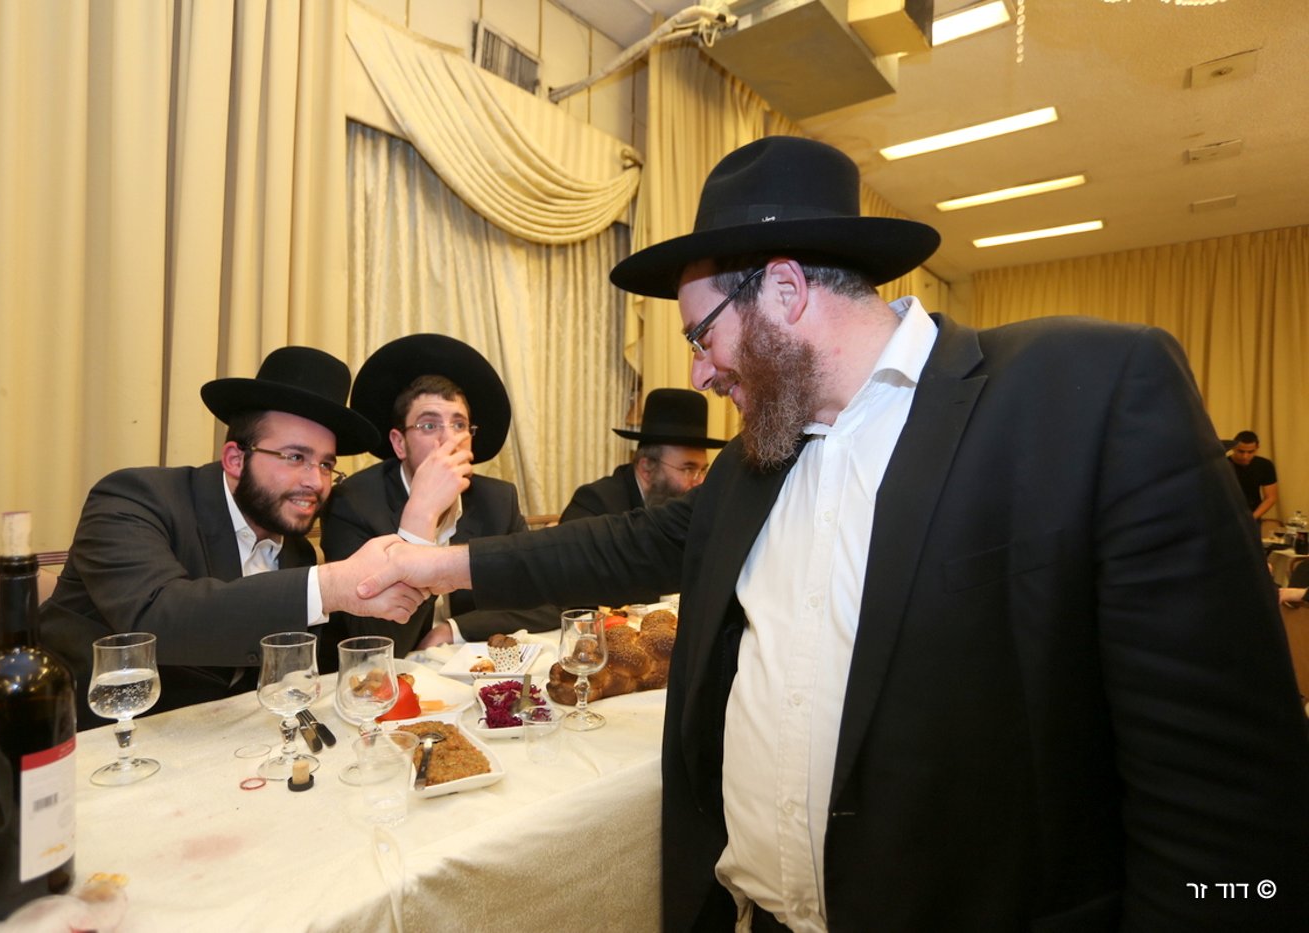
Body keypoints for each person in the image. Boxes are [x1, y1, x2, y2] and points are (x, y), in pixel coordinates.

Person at [357, 137, 1309, 931]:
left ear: (783, 290)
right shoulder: (756, 466)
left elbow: (1223, 794)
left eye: (701, 336)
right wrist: (431, 562)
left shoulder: (1081, 396)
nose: (703, 371)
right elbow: (613, 549)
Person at [41, 347, 424, 728]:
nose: (316, 481)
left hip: (218, 743)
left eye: (326, 464)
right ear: (235, 460)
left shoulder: (296, 551)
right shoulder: (134, 499)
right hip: (81, 738)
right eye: (295, 457)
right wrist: (329, 586)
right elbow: (156, 620)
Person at [319, 334, 557, 662]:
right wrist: (422, 515)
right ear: (399, 443)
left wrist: (452, 629)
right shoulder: (352, 503)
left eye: (459, 425)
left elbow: (546, 602)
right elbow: (377, 645)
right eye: (429, 425)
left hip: (469, 671)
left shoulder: (498, 500)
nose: (449, 440)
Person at [560, 387, 727, 522]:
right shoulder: (596, 504)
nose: (700, 482)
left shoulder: (695, 509)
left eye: (703, 470)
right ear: (647, 468)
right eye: (688, 469)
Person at [1227, 429, 1278, 520]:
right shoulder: (1223, 465)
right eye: (1241, 451)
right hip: (1225, 515)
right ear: (1233, 448)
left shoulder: (1264, 465)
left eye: (1250, 452)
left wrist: (1252, 518)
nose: (1245, 456)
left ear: (1257, 448)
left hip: (1252, 514)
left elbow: (1271, 497)